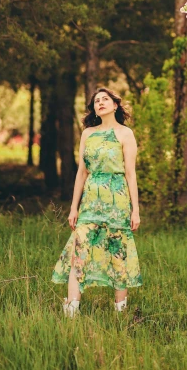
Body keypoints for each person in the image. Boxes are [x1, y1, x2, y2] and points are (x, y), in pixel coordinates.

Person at [51, 87, 142, 316]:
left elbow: (130, 173)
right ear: (94, 108)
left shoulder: (125, 134)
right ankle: (72, 310)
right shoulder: (88, 134)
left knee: (117, 253)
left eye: (105, 99)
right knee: (79, 251)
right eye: (96, 101)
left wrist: (135, 210)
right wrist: (74, 208)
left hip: (117, 200)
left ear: (115, 105)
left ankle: (120, 313)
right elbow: (82, 172)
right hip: (90, 203)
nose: (100, 103)